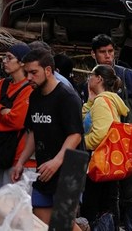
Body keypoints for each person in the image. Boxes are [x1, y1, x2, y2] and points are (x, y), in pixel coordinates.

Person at [88, 34, 132, 230]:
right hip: (103, 148)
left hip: (129, 145)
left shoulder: (127, 76)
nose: (108, 56)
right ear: (93, 54)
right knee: (110, 196)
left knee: (131, 195)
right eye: (103, 52)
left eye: (110, 51)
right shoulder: (92, 80)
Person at [10, 48, 84, 228]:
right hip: (44, 170)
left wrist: (57, 161)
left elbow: (75, 135)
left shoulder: (67, 97)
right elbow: (33, 132)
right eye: (26, 72)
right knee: (40, 222)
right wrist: (21, 161)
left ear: (48, 71)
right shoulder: (34, 96)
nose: (28, 77)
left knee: (64, 223)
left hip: (68, 169)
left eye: (33, 72)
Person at [0, 42, 34, 193]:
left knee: (13, 209)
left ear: (22, 62)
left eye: (9, 58)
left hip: (16, 156)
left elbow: (17, 121)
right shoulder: (3, 84)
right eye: (4, 57)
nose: (4, 61)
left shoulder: (29, 88)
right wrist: (1, 110)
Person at [80, 64, 129, 229]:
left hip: (99, 163)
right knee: (106, 205)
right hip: (107, 163)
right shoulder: (104, 100)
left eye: (91, 76)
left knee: (93, 208)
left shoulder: (102, 102)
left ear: (99, 78)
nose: (89, 79)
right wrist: (90, 100)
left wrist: (81, 143)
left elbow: (101, 134)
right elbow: (85, 119)